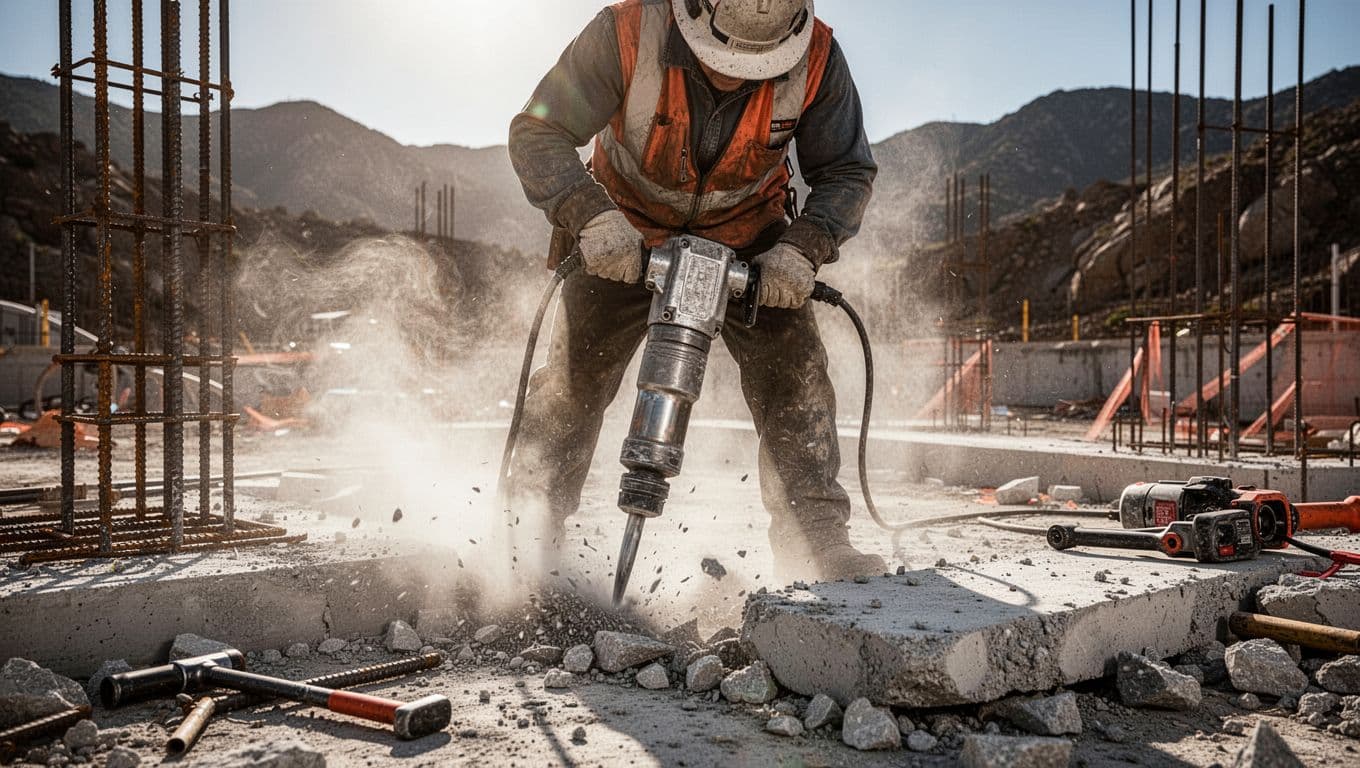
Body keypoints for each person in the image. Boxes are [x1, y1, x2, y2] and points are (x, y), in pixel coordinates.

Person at [506, 0, 882, 581]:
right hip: (625, 232)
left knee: (795, 375)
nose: (738, 75)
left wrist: (802, 247)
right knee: (572, 381)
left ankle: (817, 539)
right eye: (725, 61)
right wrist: (589, 216)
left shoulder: (818, 57)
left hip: (750, 237)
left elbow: (846, 172)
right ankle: (526, 533)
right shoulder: (627, 31)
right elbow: (538, 131)